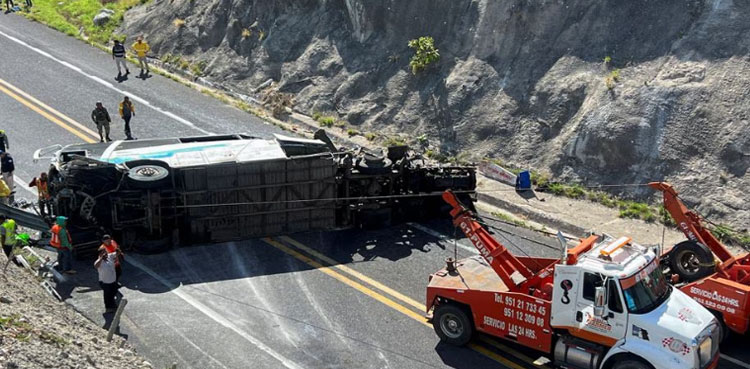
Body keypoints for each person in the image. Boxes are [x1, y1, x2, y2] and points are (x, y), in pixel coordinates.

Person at [94, 247, 118, 313]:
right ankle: (108, 307)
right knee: (107, 295)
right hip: (105, 282)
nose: (105, 253)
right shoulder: (99, 261)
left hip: (113, 280)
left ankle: (113, 305)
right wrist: (101, 258)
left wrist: (117, 250)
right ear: (100, 254)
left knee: (113, 293)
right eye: (103, 252)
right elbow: (96, 266)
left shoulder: (109, 257)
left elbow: (116, 253)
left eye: (105, 252)